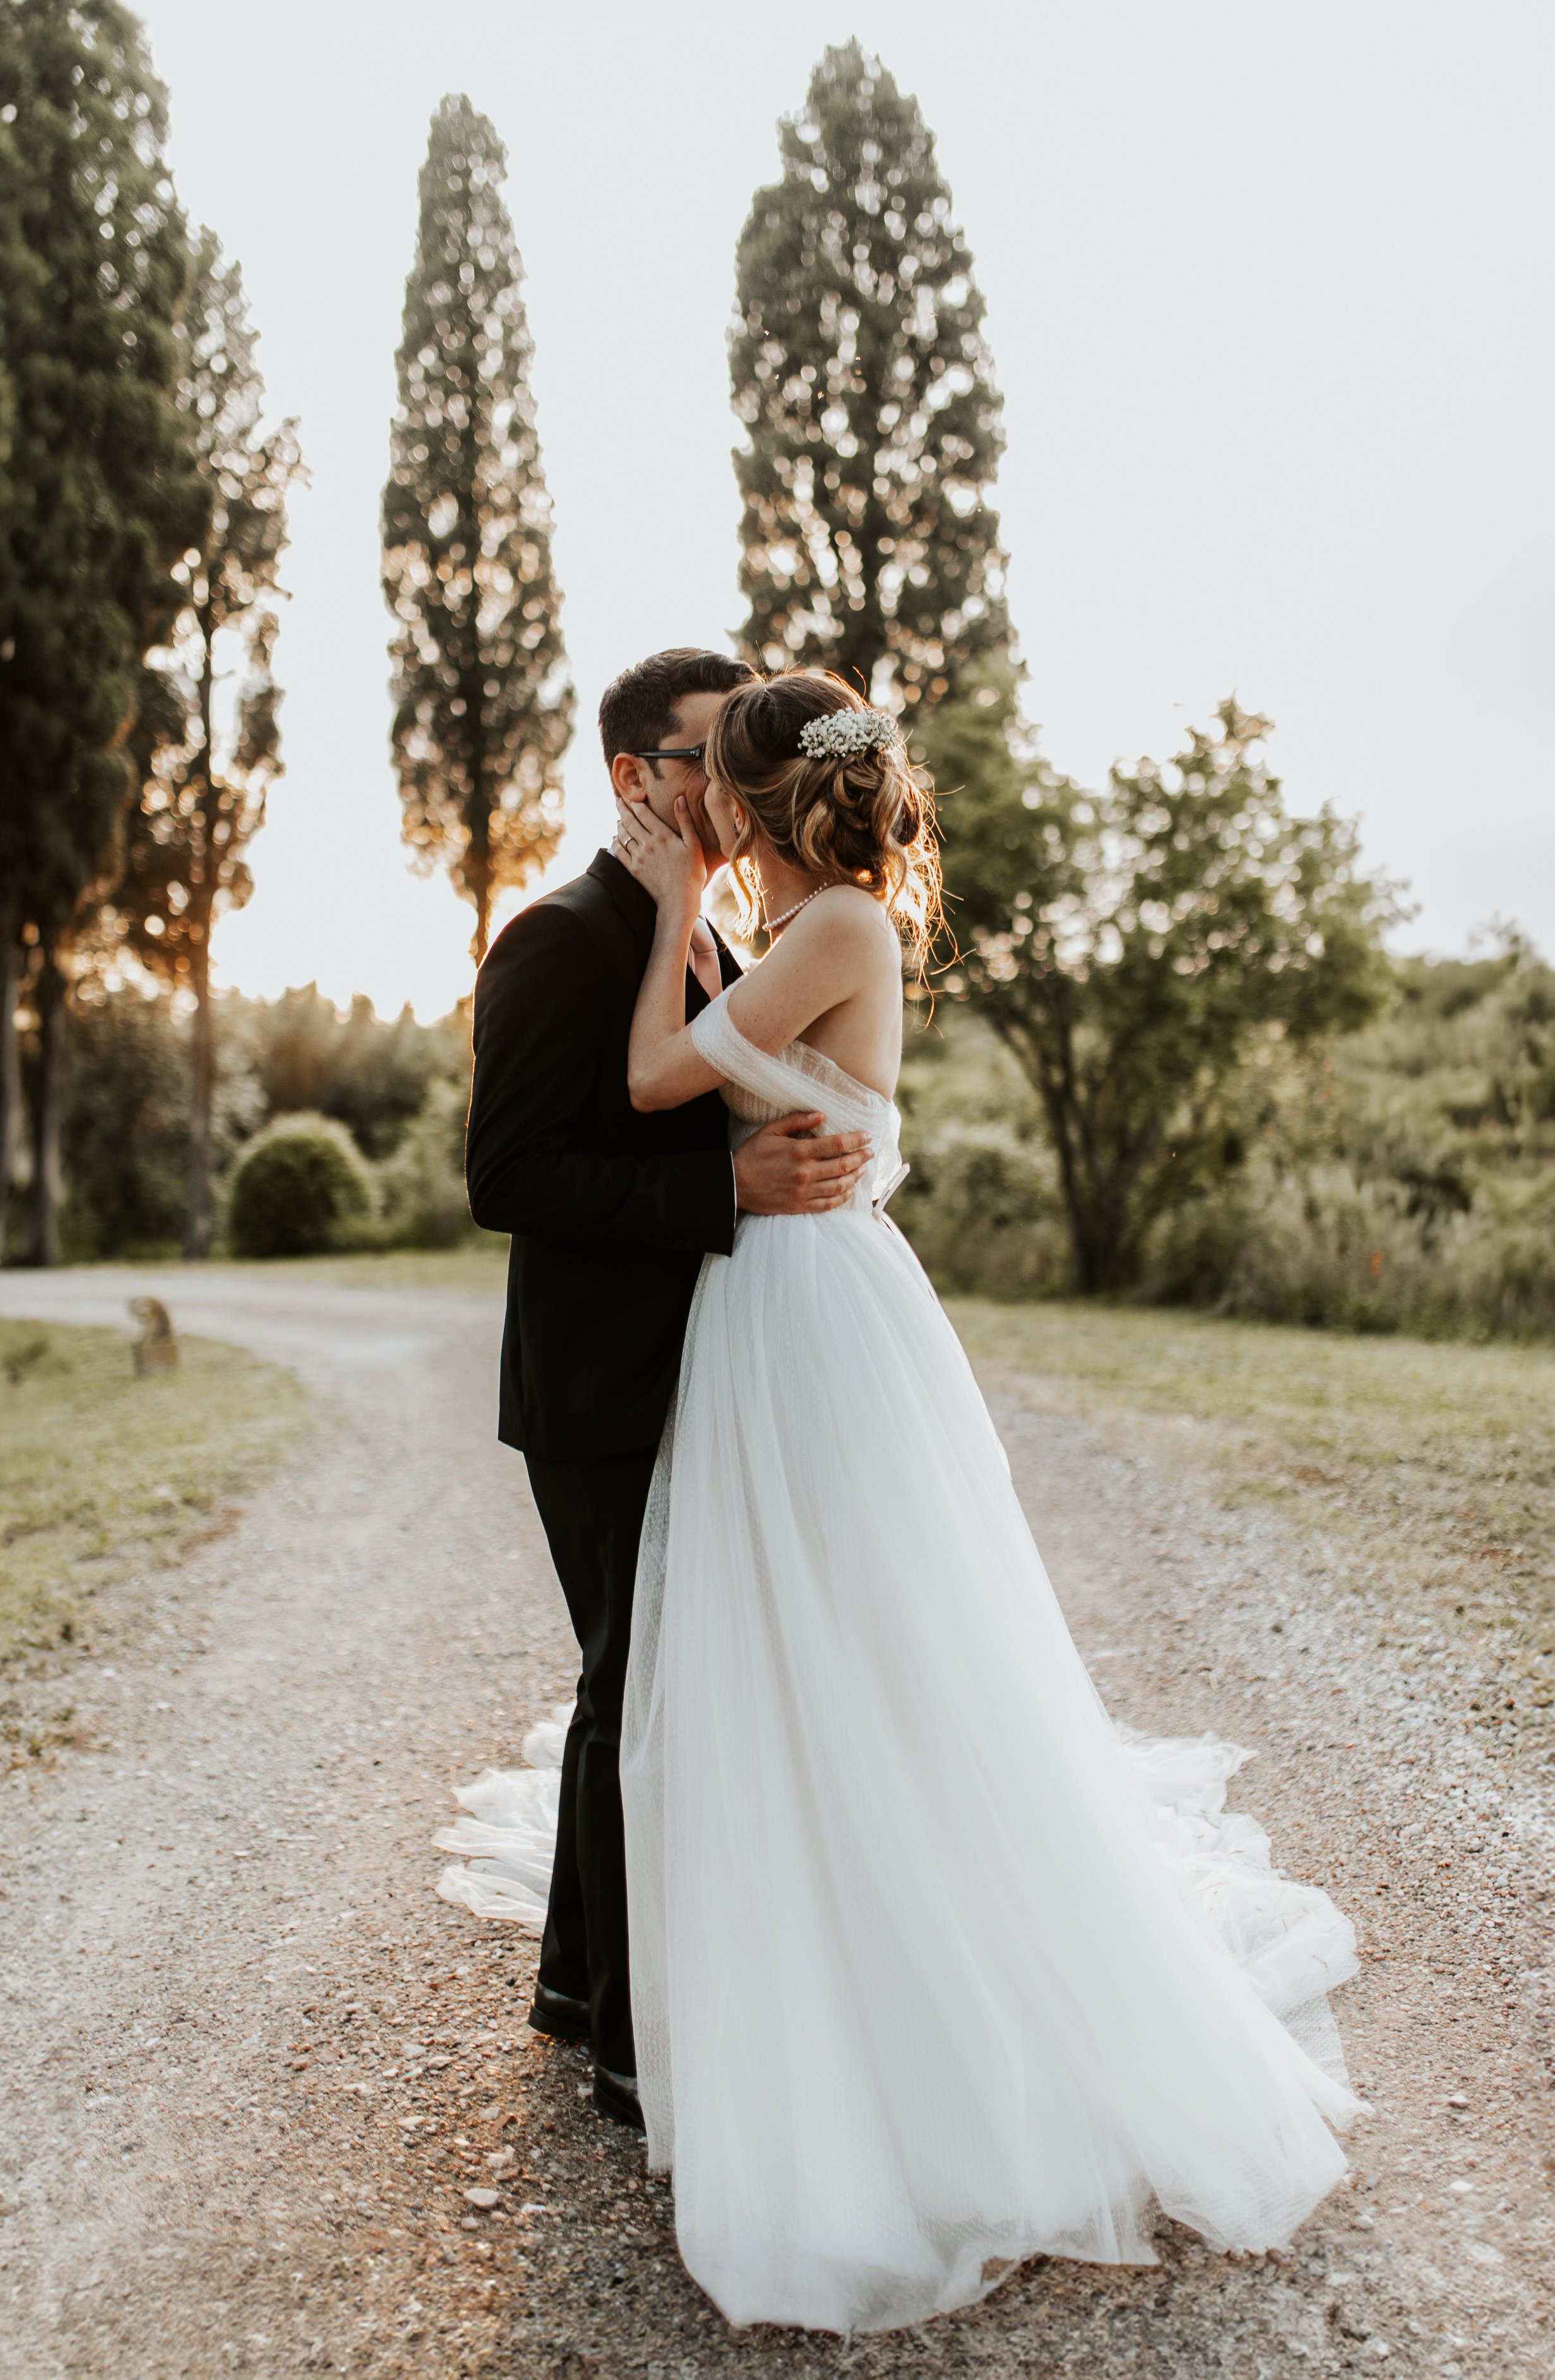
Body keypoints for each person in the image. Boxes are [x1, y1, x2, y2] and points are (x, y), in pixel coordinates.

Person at [605, 667, 1361, 2334]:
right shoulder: (803, 926)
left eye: (710, 781)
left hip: (810, 1313)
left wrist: (664, 907)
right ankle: (834, 1983)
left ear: (742, 798)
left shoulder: (833, 926)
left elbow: (656, 1075)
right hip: (780, 1303)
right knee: (799, 1655)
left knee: (880, 1651)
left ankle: (949, 2032)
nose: (695, 802)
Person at [463, 649, 874, 2131]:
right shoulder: (559, 937)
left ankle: (582, 1990)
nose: (743, 780)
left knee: (637, 1686)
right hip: (597, 1384)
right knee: (636, 1691)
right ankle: (635, 2048)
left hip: (704, 1374)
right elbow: (506, 1178)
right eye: (712, 753)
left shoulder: (705, 934)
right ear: (637, 776)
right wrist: (726, 1189)